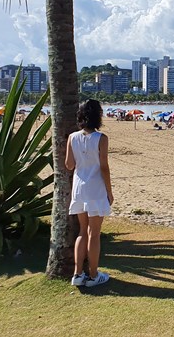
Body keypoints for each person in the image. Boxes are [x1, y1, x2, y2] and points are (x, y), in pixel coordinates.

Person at [65, 99, 113, 287]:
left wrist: (81, 159)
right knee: (95, 233)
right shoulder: (101, 138)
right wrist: (109, 191)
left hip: (79, 186)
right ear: (98, 116)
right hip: (96, 187)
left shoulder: (72, 137)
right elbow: (104, 167)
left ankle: (78, 275)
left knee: (82, 231)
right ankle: (93, 275)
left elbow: (69, 165)